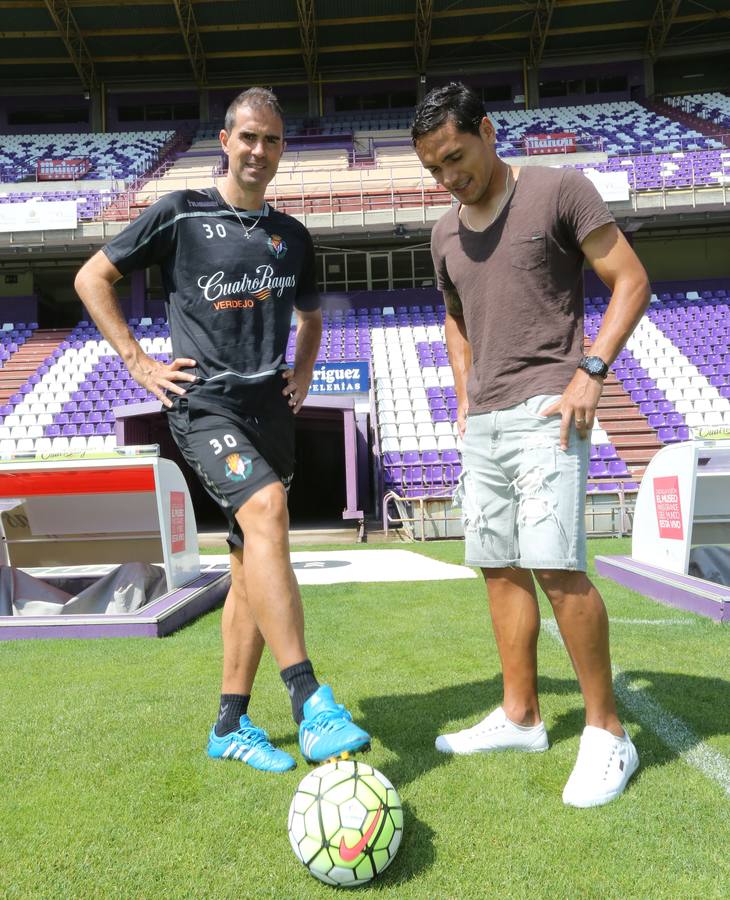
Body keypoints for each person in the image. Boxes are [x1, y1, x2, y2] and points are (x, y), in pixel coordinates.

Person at [74, 87, 370, 773]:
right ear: (225, 141)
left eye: (271, 141)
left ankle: (229, 725)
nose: (259, 151)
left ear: (281, 150)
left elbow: (313, 318)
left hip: (274, 413)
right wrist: (138, 362)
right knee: (266, 510)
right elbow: (93, 277)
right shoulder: (180, 213)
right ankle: (308, 700)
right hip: (205, 406)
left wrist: (302, 375)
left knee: (247, 568)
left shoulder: (293, 237)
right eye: (248, 138)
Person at [412, 83, 650, 808]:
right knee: (499, 567)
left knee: (556, 568)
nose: (449, 178)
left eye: (456, 157)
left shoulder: (559, 190)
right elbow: (455, 317)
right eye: (434, 170)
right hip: (483, 420)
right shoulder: (442, 233)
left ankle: (608, 732)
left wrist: (593, 370)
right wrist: (462, 394)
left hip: (549, 406)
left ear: (486, 129)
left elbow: (630, 280)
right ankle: (520, 715)